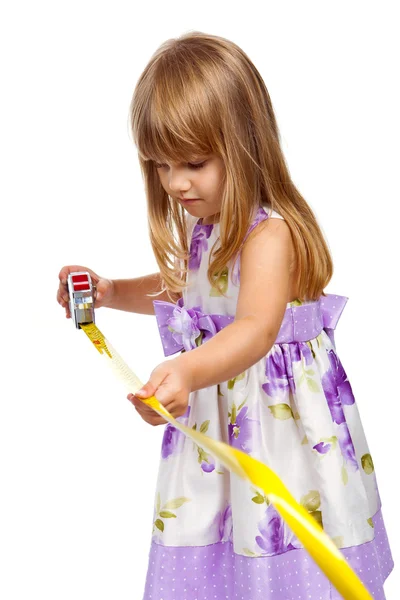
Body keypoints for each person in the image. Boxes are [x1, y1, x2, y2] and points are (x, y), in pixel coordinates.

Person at [57, 31, 394, 600]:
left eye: (193, 162)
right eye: (160, 166)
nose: (176, 183)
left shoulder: (270, 234)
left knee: (281, 545)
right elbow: (184, 290)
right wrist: (112, 291)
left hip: (277, 428)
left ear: (244, 145)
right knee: (220, 550)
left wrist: (188, 370)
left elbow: (256, 329)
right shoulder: (206, 226)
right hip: (223, 422)